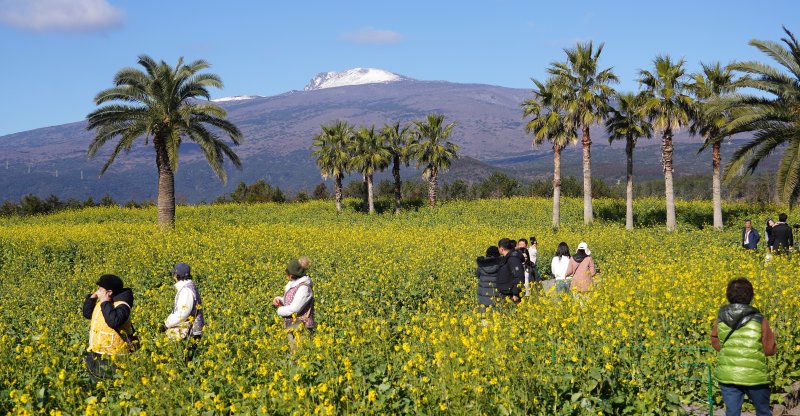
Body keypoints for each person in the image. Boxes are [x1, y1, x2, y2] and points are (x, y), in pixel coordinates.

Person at [710, 278, 776, 416]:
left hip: (728, 375)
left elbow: (715, 342)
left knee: (732, 412)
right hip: (755, 376)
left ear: (728, 296)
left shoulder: (720, 318)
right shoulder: (759, 319)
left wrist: (730, 352)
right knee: (763, 411)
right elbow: (769, 349)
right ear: (751, 296)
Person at [82, 274, 136, 382]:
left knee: (109, 386)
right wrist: (92, 297)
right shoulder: (103, 302)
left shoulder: (122, 305)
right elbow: (88, 314)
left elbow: (113, 321)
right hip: (96, 352)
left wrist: (105, 301)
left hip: (112, 357)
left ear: (109, 292)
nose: (98, 291)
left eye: (101, 289)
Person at [162, 262, 204, 361]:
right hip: (192, 330)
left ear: (177, 275)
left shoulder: (186, 291)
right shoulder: (188, 287)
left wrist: (166, 323)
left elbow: (182, 314)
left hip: (190, 332)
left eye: (174, 274)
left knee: (184, 360)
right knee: (186, 359)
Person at [272, 257, 315, 351]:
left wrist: (280, 310)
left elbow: (295, 308)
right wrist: (279, 300)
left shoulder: (304, 288)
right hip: (292, 325)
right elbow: (292, 300)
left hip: (301, 327)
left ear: (292, 275)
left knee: (298, 354)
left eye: (287, 271)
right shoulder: (293, 284)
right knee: (293, 351)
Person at [476, 246, 502, 312]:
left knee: (483, 317)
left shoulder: (481, 265)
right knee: (495, 318)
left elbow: (477, 275)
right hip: (495, 297)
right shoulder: (501, 265)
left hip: (482, 298)